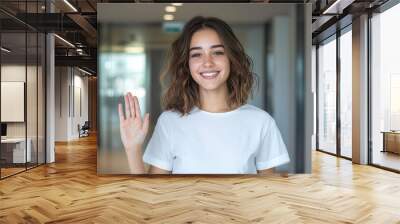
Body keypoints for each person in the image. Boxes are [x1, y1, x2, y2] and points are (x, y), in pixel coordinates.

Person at [118, 16, 290, 174]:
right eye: (197, 54)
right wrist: (133, 149)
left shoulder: (261, 122)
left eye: (217, 52)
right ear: (187, 65)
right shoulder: (169, 122)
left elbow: (268, 194)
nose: (207, 62)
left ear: (231, 58)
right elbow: (150, 195)